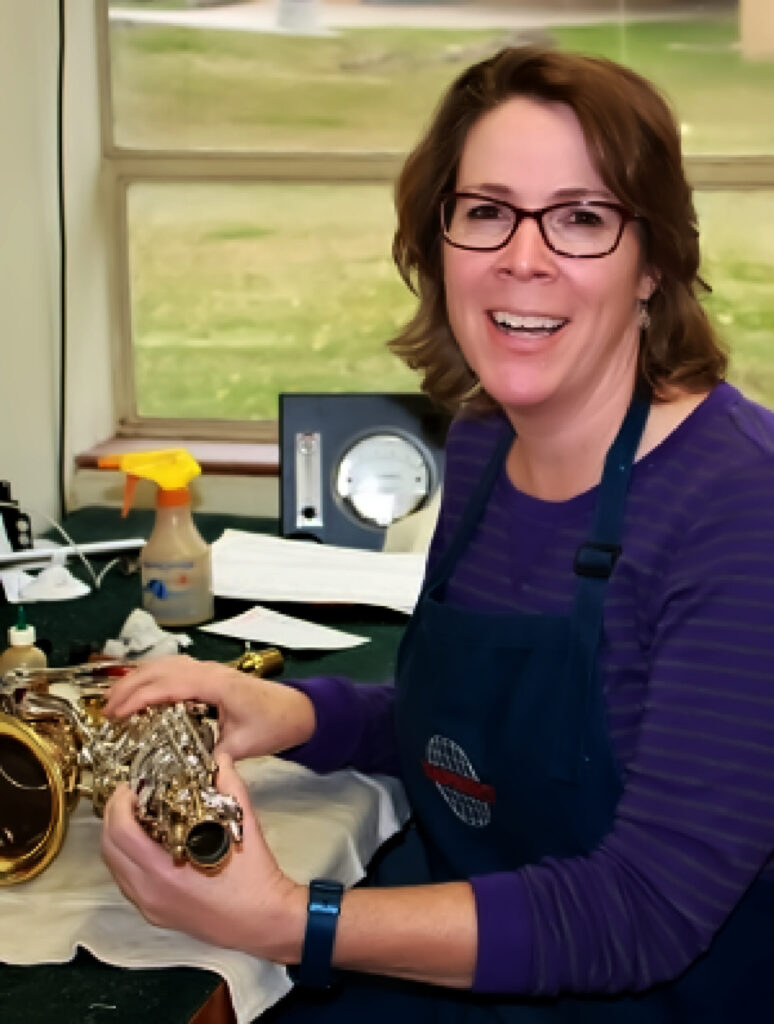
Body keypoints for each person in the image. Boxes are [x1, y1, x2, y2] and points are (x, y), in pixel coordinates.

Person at [101, 46, 774, 1022]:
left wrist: (293, 919)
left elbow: (643, 908)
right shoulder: (483, 440)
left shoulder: (740, 506)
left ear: (655, 259)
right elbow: (479, 740)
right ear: (440, 238)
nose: (523, 257)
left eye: (582, 217)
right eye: (487, 211)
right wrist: (299, 714)